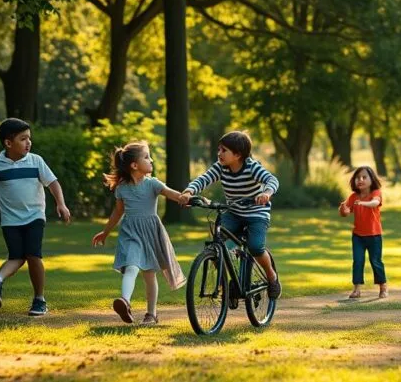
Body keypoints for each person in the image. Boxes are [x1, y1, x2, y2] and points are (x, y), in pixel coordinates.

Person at [0, 117, 70, 317]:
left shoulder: (36, 161)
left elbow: (53, 183)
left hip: (35, 217)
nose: (29, 142)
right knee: (17, 257)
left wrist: (61, 204)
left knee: (33, 255)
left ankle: (39, 299)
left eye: (29, 138)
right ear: (8, 143)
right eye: (23, 139)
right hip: (10, 221)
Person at [92, 142, 186, 325]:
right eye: (147, 157)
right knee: (131, 266)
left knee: (149, 274)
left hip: (150, 233)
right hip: (131, 233)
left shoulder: (152, 184)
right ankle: (125, 302)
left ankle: (151, 314)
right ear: (134, 165)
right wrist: (105, 232)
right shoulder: (122, 188)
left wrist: (186, 197)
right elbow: (117, 212)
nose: (151, 160)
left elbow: (172, 194)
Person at [179, 130, 281, 299]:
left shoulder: (251, 167)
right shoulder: (221, 167)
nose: (219, 153)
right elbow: (204, 179)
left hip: (256, 213)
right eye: (218, 149)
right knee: (216, 246)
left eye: (224, 150)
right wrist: (189, 191)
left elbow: (272, 180)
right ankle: (229, 283)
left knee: (255, 247)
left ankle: (272, 277)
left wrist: (267, 193)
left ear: (238, 154)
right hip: (233, 213)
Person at [338, 166, 388, 299]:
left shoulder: (376, 193)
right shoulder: (353, 196)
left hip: (374, 235)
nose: (360, 180)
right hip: (358, 236)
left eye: (364, 177)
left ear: (372, 179)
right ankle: (357, 289)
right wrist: (343, 210)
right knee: (358, 261)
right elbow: (345, 212)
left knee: (375, 261)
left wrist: (362, 203)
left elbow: (375, 203)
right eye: (357, 178)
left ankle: (383, 287)